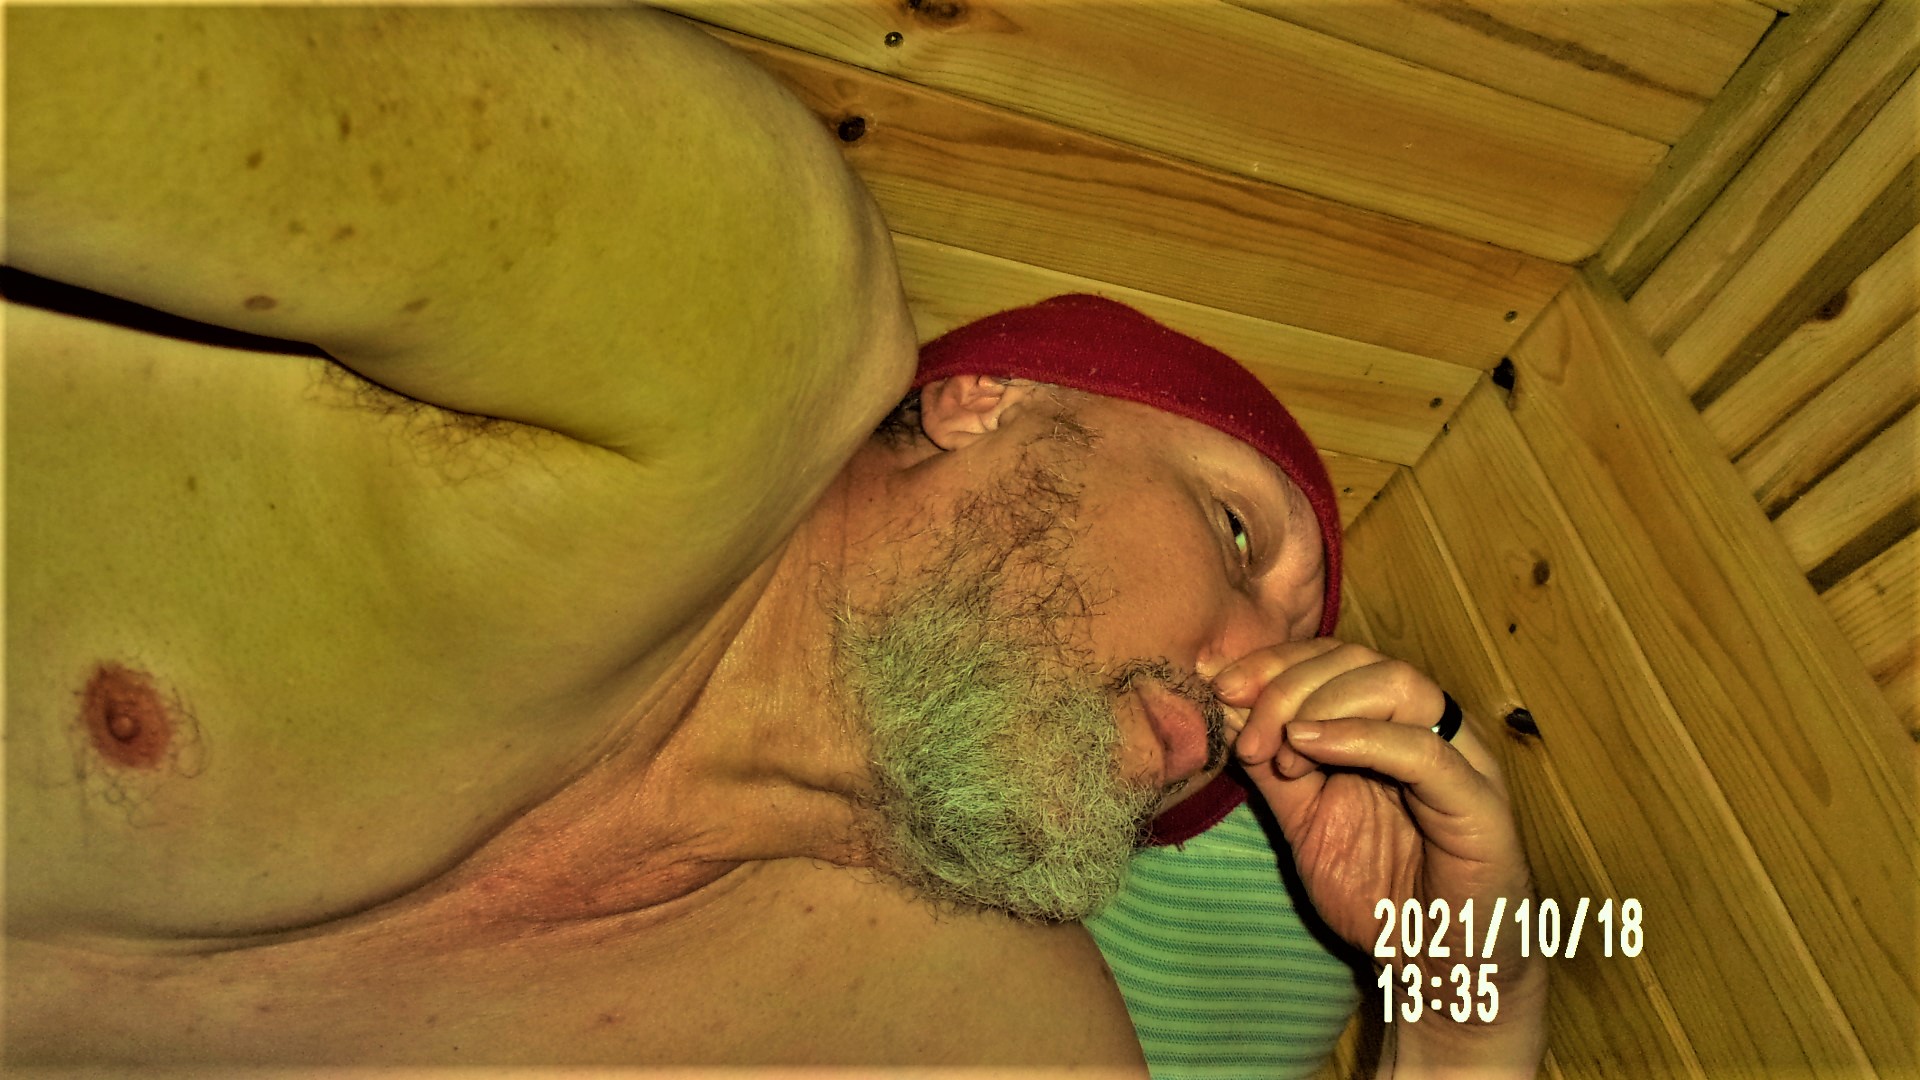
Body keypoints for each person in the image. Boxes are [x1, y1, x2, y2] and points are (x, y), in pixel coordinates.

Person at [5, 7, 1545, 1073]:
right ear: (989, 400)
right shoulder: (731, 312)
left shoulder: (984, 1030)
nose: (1251, 679)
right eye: (1236, 532)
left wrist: (1463, 1004)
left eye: (1288, 655)